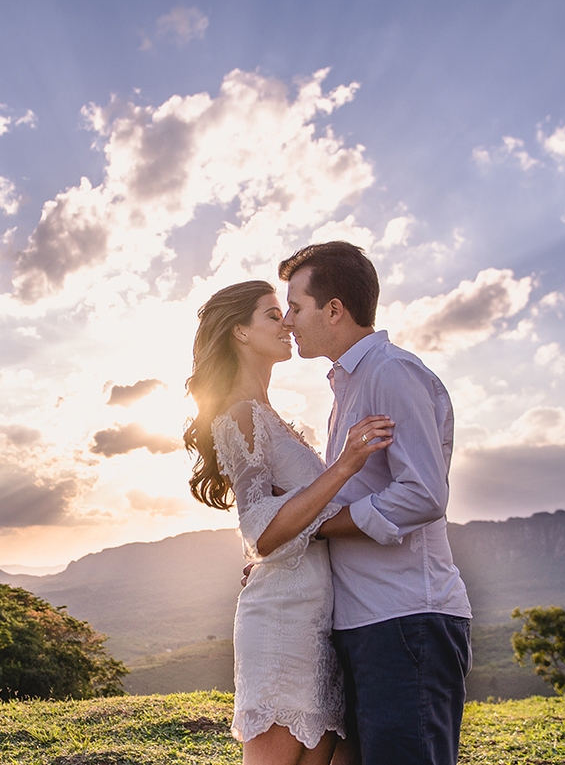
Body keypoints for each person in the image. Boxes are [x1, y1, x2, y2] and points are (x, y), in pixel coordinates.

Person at [184, 280, 395, 765]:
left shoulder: (278, 420)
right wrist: (344, 465)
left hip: (317, 616)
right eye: (272, 314)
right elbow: (259, 531)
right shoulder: (240, 417)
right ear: (239, 331)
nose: (287, 323)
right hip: (281, 619)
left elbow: (301, 516)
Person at [278, 241, 472, 765]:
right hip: (368, 620)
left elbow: (423, 493)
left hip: (406, 618)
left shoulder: (391, 372)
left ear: (334, 309)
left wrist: (321, 528)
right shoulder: (348, 385)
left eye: (296, 307)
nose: (289, 320)